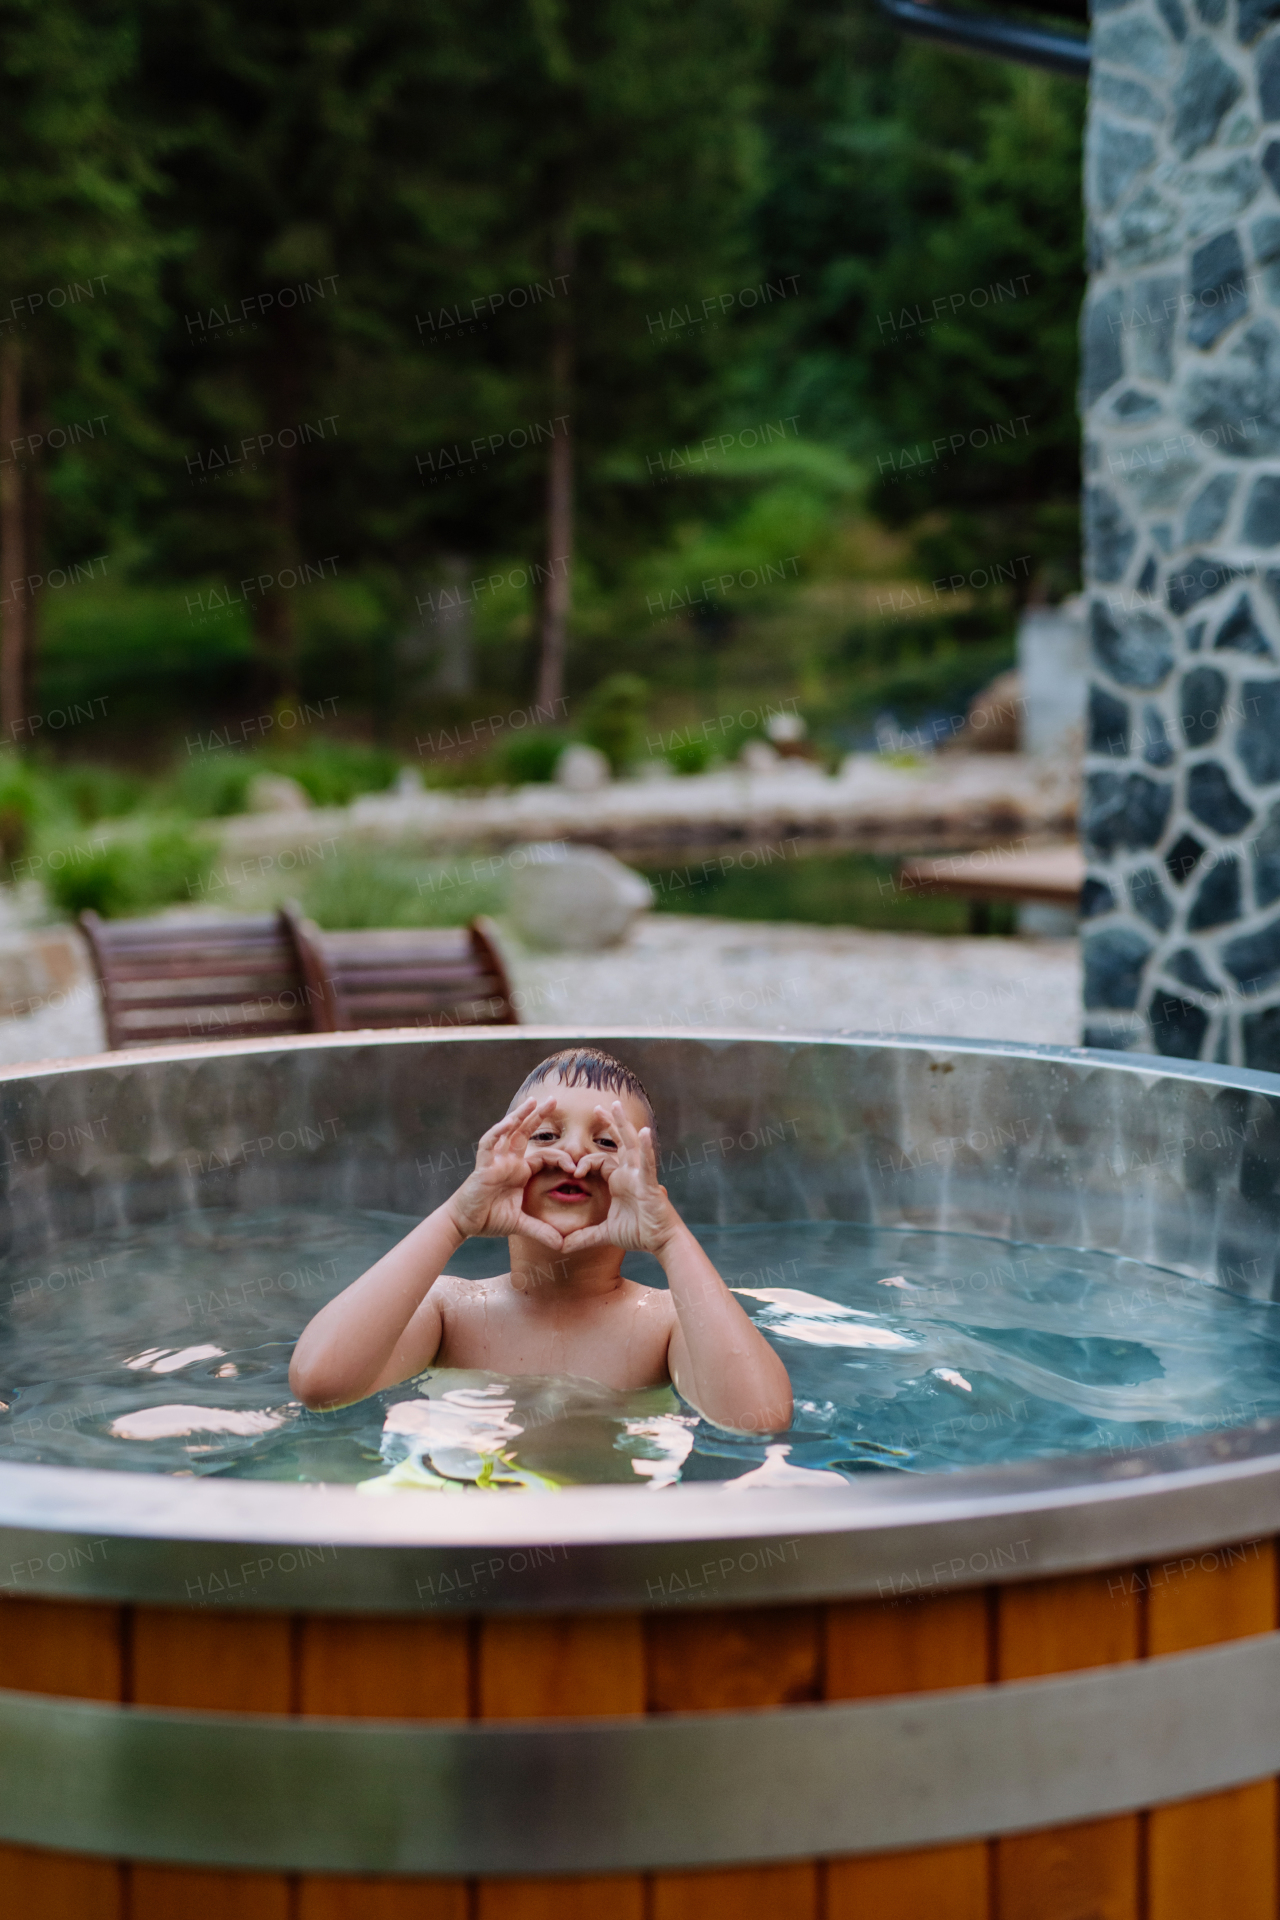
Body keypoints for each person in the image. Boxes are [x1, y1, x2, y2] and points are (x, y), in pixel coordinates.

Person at [289, 1046, 793, 1435]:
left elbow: (759, 1420)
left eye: (607, 1141)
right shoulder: (451, 1312)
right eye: (546, 1136)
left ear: (648, 1183)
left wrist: (669, 1237)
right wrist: (455, 1219)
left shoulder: (665, 1325)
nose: (574, 1152)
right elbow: (320, 1384)